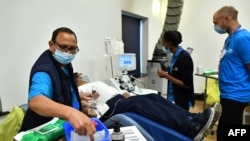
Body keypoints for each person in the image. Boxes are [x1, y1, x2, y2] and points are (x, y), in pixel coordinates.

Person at [74, 72, 222, 141]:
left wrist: (125, 93)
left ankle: (194, 118)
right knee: (141, 104)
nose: (82, 76)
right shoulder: (79, 89)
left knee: (154, 97)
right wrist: (85, 103)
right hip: (110, 108)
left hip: (120, 98)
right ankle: (190, 126)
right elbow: (76, 105)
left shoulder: (93, 83)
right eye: (79, 76)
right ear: (76, 80)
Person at [19, 27, 96, 140]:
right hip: (41, 134)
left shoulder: (64, 63)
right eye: (63, 47)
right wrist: (71, 113)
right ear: (51, 45)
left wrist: (79, 102)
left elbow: (60, 89)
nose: (68, 53)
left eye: (72, 49)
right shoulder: (44, 70)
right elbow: (35, 101)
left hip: (62, 128)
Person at [213, 6, 250, 141]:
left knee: (230, 135)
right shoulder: (230, 39)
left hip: (237, 98)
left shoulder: (243, 38)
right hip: (228, 96)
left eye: (216, 23)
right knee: (223, 133)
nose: (215, 26)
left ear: (227, 19)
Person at [157, 30, 195, 110]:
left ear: (169, 43)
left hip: (181, 100)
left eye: (163, 43)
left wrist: (166, 76)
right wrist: (167, 74)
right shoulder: (174, 56)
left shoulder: (184, 57)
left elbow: (187, 85)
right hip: (173, 97)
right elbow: (176, 74)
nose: (163, 45)